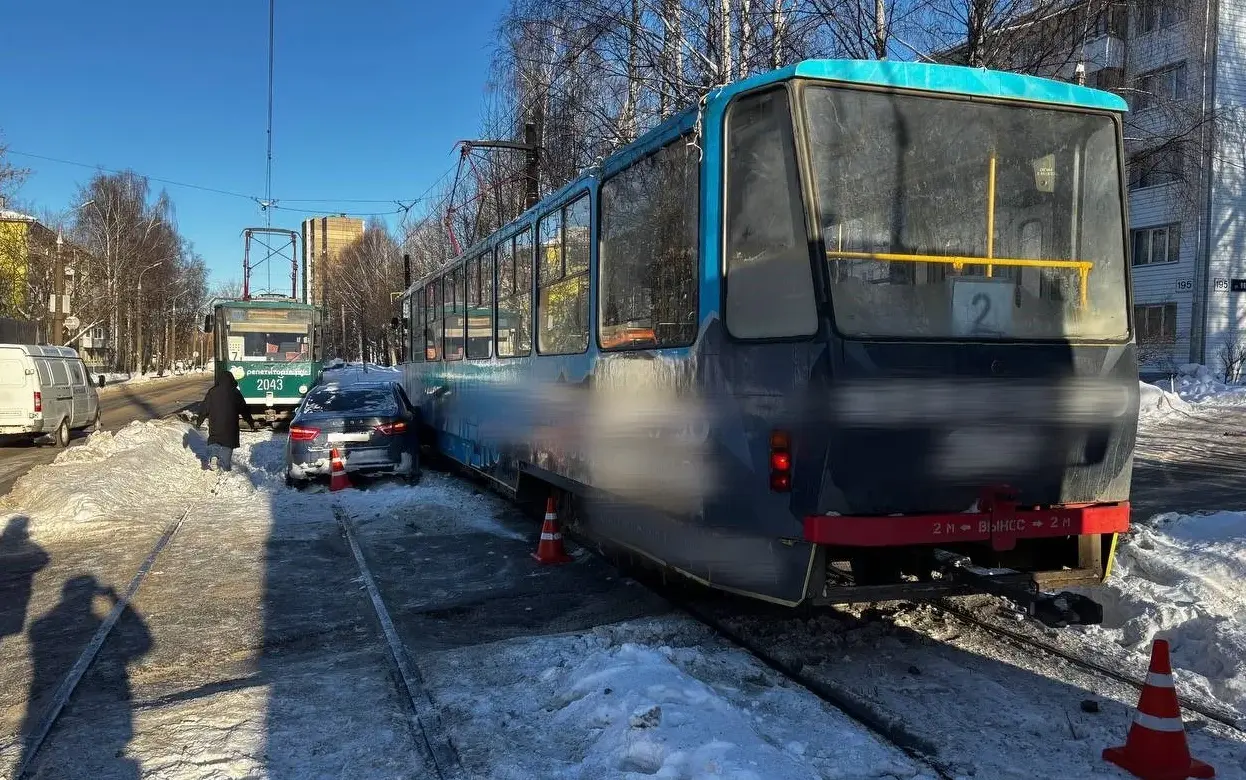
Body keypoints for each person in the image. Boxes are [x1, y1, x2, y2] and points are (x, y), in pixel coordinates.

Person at [192, 369, 256, 471]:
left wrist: (199, 422)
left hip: (216, 423)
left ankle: (214, 456)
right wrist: (250, 422)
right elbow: (244, 409)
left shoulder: (212, 392)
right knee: (228, 444)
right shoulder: (235, 392)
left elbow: (204, 409)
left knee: (215, 441)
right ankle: (226, 466)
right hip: (230, 425)